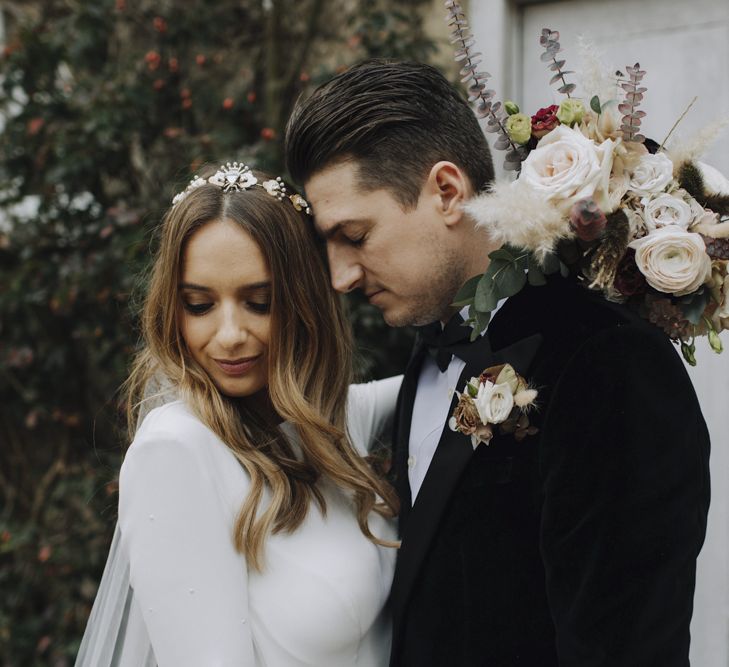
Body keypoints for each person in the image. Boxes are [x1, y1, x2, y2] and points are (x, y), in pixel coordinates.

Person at [285, 59, 711, 666]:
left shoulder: (607, 363)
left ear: (446, 191)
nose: (340, 276)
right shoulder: (428, 347)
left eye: (354, 236)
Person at [75, 162, 401, 667]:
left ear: (303, 302)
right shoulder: (176, 451)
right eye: (200, 305)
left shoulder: (327, 423)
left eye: (259, 302)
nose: (229, 335)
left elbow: (443, 385)